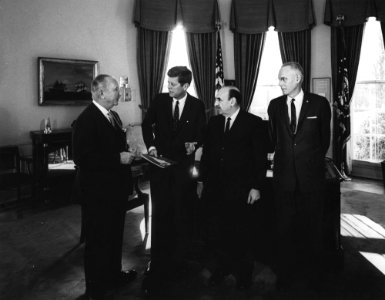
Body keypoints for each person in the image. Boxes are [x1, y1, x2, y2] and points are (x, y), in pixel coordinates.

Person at [141, 66, 206, 293]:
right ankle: (158, 263)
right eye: (168, 83)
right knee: (160, 214)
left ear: (185, 86)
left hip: (182, 171)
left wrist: (195, 143)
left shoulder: (197, 106)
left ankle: (179, 262)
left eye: (173, 84)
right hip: (159, 168)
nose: (168, 87)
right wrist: (151, 145)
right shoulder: (159, 100)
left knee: (181, 214)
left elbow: (201, 132)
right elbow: (146, 124)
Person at [267, 62, 331, 288]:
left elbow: (324, 141)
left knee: (312, 229)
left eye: (284, 78)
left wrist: (307, 163)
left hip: (311, 180)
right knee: (284, 229)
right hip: (284, 180)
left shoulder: (320, 104)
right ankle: (285, 274)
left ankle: (314, 276)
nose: (280, 82)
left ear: (298, 78)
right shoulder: (274, 105)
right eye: (279, 78)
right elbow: (274, 138)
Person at [72, 74, 137, 299]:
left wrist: (128, 151)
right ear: (101, 93)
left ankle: (113, 275)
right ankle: (95, 287)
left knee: (114, 235)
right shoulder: (86, 120)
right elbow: (82, 158)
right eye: (116, 89)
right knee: (97, 239)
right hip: (97, 192)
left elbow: (113, 146)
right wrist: (117, 158)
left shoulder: (114, 116)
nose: (120, 93)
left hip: (114, 190)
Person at [197, 86, 268, 289]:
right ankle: (222, 268)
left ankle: (244, 274)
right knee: (218, 232)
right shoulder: (214, 122)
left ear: (233, 101)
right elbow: (208, 154)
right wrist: (201, 181)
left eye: (219, 99)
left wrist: (256, 187)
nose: (216, 103)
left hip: (241, 190)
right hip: (215, 189)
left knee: (242, 232)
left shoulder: (253, 123)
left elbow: (259, 159)